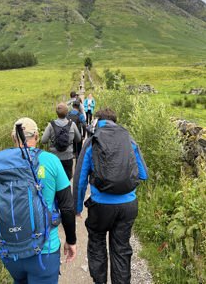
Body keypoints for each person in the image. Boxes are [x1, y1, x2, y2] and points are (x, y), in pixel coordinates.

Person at [0, 117, 77, 284]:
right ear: (36, 137)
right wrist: (71, 241)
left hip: (9, 251)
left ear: (13, 138)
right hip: (44, 251)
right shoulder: (51, 161)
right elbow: (67, 206)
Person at [73, 108, 149, 284]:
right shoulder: (129, 140)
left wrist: (77, 208)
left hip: (100, 207)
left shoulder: (92, 141)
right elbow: (144, 174)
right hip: (128, 205)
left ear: (97, 121)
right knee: (121, 249)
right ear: (115, 121)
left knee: (97, 245)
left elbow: (80, 179)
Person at [41, 103, 81, 180]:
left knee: (55, 180)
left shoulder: (51, 125)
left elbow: (44, 140)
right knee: (66, 180)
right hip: (68, 157)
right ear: (67, 113)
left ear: (57, 113)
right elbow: (78, 139)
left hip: (54, 158)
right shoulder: (72, 124)